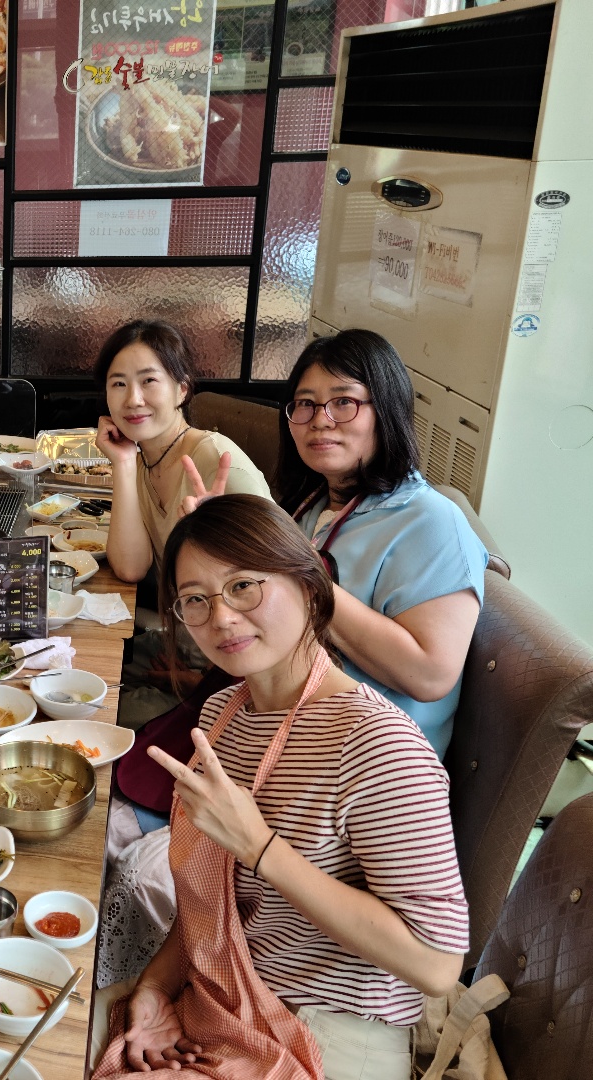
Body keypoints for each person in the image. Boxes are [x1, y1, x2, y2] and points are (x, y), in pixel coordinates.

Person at [95, 494, 468, 1080]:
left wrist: (259, 846)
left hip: (331, 1029)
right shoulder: (224, 714)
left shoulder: (377, 744)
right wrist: (156, 988)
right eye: (196, 599)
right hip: (227, 992)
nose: (222, 618)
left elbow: (437, 963)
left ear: (310, 586)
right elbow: (215, 904)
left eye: (244, 586)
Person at [277, 329, 486, 758]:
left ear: (387, 410)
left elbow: (430, 675)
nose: (320, 419)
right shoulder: (313, 505)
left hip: (365, 763)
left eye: (343, 401)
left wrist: (299, 573)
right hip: (288, 725)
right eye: (305, 403)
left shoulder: (430, 521)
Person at [92, 319, 272, 730]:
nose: (133, 399)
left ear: (182, 390)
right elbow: (131, 567)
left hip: (227, 670)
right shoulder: (144, 456)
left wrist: (204, 679)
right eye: (118, 384)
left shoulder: (218, 463)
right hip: (180, 643)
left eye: (149, 381)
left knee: (96, 719)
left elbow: (272, 595)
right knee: (71, 678)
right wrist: (123, 463)